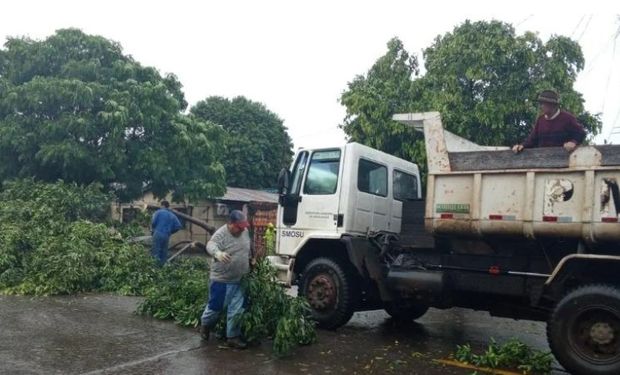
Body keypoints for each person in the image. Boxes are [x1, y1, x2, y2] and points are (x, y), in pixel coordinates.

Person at [199, 210, 252, 349]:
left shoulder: (244, 231)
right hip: (222, 279)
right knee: (215, 308)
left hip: (241, 279)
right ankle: (205, 325)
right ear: (230, 224)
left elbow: (247, 247)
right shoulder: (221, 233)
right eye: (239, 227)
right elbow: (210, 245)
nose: (242, 229)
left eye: (243, 227)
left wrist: (252, 259)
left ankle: (232, 337)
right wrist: (218, 253)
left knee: (238, 309)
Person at [512, 90, 586, 153]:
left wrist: (573, 142)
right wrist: (522, 146)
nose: (541, 106)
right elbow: (532, 139)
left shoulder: (567, 118)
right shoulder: (540, 120)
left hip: (563, 160)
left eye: (544, 103)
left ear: (552, 105)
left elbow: (581, 133)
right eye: (540, 103)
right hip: (544, 160)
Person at [150, 200, 182, 266]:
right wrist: (170, 232)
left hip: (158, 233)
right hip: (166, 236)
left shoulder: (158, 212)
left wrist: (153, 230)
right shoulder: (172, 215)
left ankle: (154, 269)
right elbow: (178, 226)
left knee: (155, 251)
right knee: (164, 252)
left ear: (162, 205)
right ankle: (162, 269)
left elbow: (153, 223)